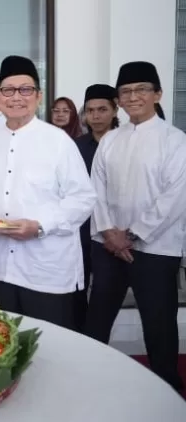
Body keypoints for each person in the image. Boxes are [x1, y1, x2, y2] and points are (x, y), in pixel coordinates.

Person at [0, 55, 96, 329]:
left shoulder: (57, 141)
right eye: (8, 90)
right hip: (4, 265)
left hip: (48, 267)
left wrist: (39, 226)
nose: (16, 97)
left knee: (51, 348)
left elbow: (83, 199)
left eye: (25, 89)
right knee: (10, 341)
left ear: (38, 96)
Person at [86, 61, 186, 392]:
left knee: (158, 324)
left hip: (155, 250)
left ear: (157, 93)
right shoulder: (111, 140)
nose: (133, 96)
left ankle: (167, 390)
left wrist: (131, 235)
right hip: (109, 246)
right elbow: (95, 191)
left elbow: (174, 198)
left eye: (141, 89)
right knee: (97, 319)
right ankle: (88, 382)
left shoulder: (175, 141)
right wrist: (110, 234)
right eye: (126, 91)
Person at [72, 83, 118, 331]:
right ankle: (80, 336)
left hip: (110, 229)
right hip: (80, 228)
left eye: (102, 109)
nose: (96, 116)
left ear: (114, 110)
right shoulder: (76, 147)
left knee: (104, 291)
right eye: (90, 111)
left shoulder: (124, 142)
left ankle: (98, 339)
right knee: (77, 285)